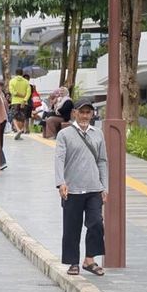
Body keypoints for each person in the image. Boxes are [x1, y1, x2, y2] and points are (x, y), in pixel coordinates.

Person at [56, 99, 108, 277]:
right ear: (75, 113)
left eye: (88, 112)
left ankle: (89, 260)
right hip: (72, 189)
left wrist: (104, 187)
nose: (85, 115)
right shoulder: (64, 134)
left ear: (92, 114)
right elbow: (59, 160)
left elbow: (102, 161)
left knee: (96, 223)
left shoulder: (98, 134)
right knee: (72, 227)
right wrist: (61, 182)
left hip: (94, 188)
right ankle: (73, 262)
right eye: (82, 112)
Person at [8, 68, 30, 139]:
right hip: (24, 102)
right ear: (22, 73)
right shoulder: (26, 82)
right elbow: (28, 92)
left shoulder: (12, 81)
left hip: (15, 102)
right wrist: (24, 100)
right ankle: (20, 131)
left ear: (16, 73)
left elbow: (12, 91)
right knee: (22, 117)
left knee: (14, 117)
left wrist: (18, 94)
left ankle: (18, 130)